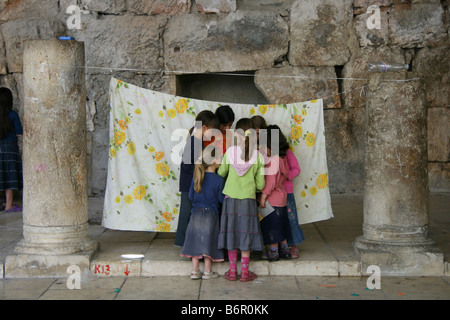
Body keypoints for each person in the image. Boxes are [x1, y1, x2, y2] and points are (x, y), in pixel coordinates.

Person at [217, 118, 265, 282]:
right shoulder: (258, 156)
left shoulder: (229, 152)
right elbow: (261, 184)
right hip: (248, 201)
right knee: (245, 234)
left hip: (230, 200)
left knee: (232, 233)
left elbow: (221, 173)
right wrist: (254, 188)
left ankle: (232, 271)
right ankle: (245, 272)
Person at [175, 110, 220, 247]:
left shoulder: (196, 141)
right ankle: (182, 243)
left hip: (190, 183)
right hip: (189, 183)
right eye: (212, 131)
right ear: (205, 128)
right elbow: (188, 167)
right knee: (186, 214)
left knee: (188, 213)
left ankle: (185, 243)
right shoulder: (195, 142)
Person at [180, 150, 225, 280]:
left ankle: (194, 271)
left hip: (196, 213)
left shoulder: (197, 177)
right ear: (214, 161)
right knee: (209, 241)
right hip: (211, 214)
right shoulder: (219, 180)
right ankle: (207, 271)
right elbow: (221, 199)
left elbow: (191, 196)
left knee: (195, 240)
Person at [258, 125, 292, 261]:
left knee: (272, 227)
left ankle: (273, 252)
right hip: (282, 197)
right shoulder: (282, 159)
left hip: (271, 200)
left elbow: (270, 182)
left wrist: (263, 198)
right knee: (282, 225)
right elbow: (284, 176)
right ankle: (285, 250)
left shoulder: (273, 161)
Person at [0, 88, 23, 212]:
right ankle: (9, 205)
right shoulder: (13, 114)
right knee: (10, 175)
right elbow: (19, 133)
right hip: (10, 148)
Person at [284, 145, 305, 259]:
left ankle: (292, 245)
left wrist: (286, 176)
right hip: (272, 193)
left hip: (287, 192)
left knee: (291, 218)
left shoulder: (287, 153)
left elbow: (296, 169)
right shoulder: (265, 153)